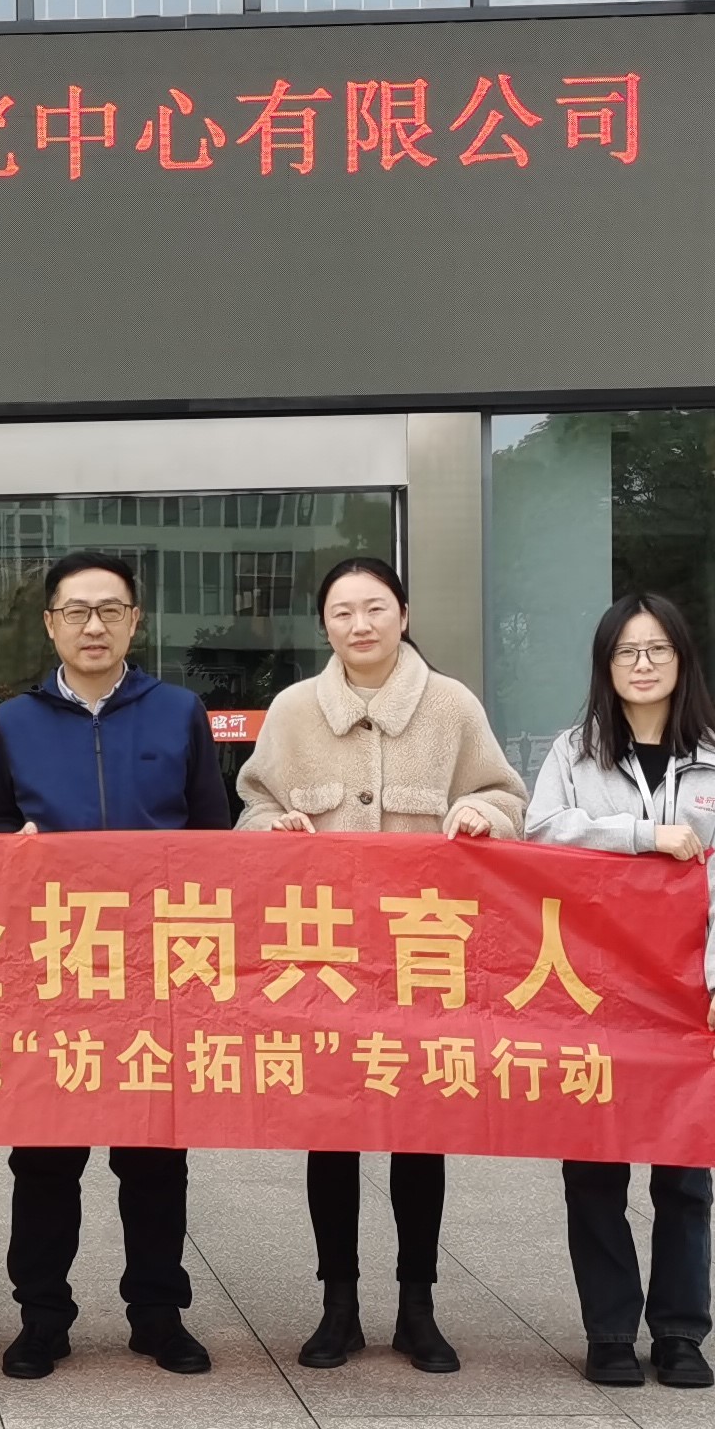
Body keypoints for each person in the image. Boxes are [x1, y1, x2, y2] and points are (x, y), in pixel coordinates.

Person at [237, 555, 524, 1376]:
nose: (359, 624)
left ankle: (417, 1307)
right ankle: (338, 1306)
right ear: (323, 625)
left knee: (418, 1136)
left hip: (421, 962)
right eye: (342, 611)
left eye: (374, 608)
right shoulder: (295, 710)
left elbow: (507, 796)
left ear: (403, 614)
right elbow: (252, 805)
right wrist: (272, 828)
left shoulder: (452, 705)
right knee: (330, 1136)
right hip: (324, 961)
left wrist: (481, 813)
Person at [0, 548, 231, 1380]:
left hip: (157, 969)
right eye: (77, 611)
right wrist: (6, 847)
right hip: (51, 968)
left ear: (135, 621)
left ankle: (158, 1314)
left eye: (110, 610)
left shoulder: (178, 711)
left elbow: (212, 835)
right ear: (50, 624)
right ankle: (42, 1316)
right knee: (44, 1158)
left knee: (153, 1155)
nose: (94, 625)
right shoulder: (14, 721)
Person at [525, 591, 715, 1389]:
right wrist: (639, 836)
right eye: (627, 652)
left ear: (682, 660)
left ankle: (681, 1333)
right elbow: (541, 831)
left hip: (682, 995)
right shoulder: (574, 754)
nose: (644, 664)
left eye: (658, 649)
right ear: (606, 666)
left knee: (683, 1170)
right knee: (594, 1167)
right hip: (591, 989)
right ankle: (611, 1332)